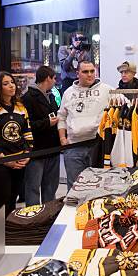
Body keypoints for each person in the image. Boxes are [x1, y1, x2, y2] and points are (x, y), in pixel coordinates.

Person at [0, 71, 33, 216]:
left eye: (12, 82)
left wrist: (27, 153)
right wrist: (5, 160)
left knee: (11, 201)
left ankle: (8, 233)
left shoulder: (20, 106)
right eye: (6, 83)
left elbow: (27, 133)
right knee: (0, 204)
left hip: (19, 160)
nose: (11, 86)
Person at [58, 60, 114, 190]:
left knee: (98, 187)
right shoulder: (68, 92)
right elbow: (61, 117)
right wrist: (62, 139)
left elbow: (124, 106)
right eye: (85, 72)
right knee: (75, 188)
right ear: (78, 73)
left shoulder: (107, 90)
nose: (89, 74)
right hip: (74, 147)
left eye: (92, 71)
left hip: (98, 146)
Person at [22, 66, 60, 205]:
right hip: (36, 150)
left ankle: (49, 214)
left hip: (53, 148)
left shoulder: (51, 96)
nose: (55, 81)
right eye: (54, 78)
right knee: (33, 187)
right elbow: (26, 125)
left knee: (50, 187)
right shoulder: (28, 97)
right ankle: (33, 218)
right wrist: (47, 123)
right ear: (48, 78)